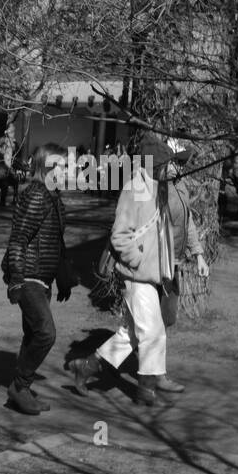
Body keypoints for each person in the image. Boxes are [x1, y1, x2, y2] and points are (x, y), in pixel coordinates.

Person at [70, 136, 208, 405]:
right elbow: (120, 235)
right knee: (152, 331)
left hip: (154, 274)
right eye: (167, 164)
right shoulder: (136, 188)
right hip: (138, 275)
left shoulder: (160, 187)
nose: (172, 168)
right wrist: (137, 260)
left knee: (132, 334)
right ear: (156, 164)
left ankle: (85, 367)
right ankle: (145, 391)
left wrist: (189, 254)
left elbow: (175, 226)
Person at [1, 143, 75, 415]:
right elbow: (18, 240)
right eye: (63, 165)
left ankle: (20, 392)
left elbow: (55, 242)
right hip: (29, 277)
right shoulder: (36, 195)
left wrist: (63, 276)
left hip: (43, 278)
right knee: (46, 333)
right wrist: (17, 279)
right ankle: (19, 386)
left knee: (33, 333)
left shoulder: (52, 196)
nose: (68, 170)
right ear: (49, 166)